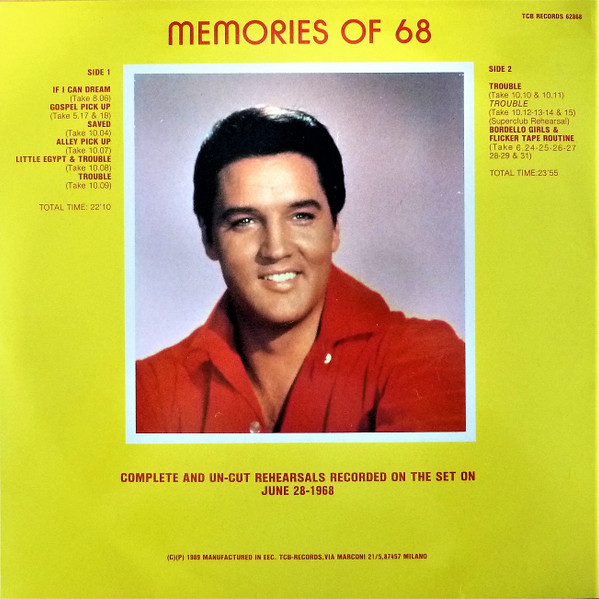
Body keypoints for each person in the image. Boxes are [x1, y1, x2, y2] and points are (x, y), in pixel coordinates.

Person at [136, 105, 465, 434]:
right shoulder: (150, 390)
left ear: (334, 228)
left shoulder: (426, 359)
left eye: (301, 216)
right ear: (208, 238)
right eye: (245, 221)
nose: (276, 249)